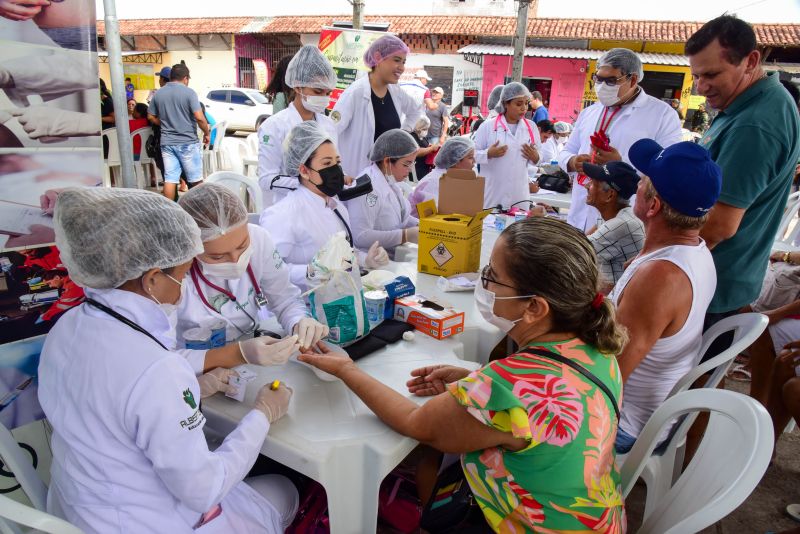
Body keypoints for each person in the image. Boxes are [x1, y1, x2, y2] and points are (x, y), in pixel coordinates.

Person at [299, 217, 626, 532]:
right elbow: (540, 396)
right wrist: (476, 376)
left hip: (528, 526)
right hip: (593, 518)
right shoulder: (598, 349)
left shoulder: (507, 385)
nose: (483, 283)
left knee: (431, 454)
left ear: (535, 307)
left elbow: (416, 422)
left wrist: (346, 369)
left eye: (491, 277)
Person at [39, 187, 299, 532]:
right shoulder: (156, 368)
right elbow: (204, 489)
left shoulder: (66, 328)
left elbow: (116, 403)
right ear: (151, 281)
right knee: (285, 490)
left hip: (81, 508)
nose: (183, 287)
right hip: (148, 522)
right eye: (181, 275)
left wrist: (184, 390)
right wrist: (263, 414)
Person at [685, 15, 800, 357]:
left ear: (751, 61)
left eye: (711, 75)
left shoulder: (756, 124)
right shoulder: (747, 103)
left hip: (712, 283)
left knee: (686, 392)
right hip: (719, 279)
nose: (701, 87)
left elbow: (718, 226)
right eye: (696, 76)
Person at [611, 139, 721, 453]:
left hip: (628, 426)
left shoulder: (660, 277)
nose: (637, 184)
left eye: (643, 180)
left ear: (653, 205)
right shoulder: (695, 250)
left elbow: (610, 373)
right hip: (651, 414)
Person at [177, 183, 329, 373]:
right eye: (217, 257)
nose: (236, 260)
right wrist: (237, 354)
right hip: (193, 367)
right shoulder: (174, 273)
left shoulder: (259, 239)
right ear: (191, 248)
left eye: (242, 246)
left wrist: (299, 322)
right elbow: (159, 356)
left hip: (251, 352)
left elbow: (284, 299)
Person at [559, 48, 682, 233]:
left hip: (625, 216)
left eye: (611, 81)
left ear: (632, 80)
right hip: (582, 207)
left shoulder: (662, 115)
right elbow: (566, 151)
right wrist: (572, 161)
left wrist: (620, 164)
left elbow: (667, 171)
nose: (602, 86)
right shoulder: (590, 112)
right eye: (598, 79)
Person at [260, 121, 389, 289]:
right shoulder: (283, 215)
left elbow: (341, 255)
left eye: (337, 162)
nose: (336, 170)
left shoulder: (337, 207)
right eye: (327, 164)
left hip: (340, 297)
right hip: (303, 304)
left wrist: (366, 259)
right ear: (304, 171)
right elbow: (268, 271)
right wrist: (312, 272)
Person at [332, 35, 422, 177]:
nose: (402, 68)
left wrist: (403, 133)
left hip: (386, 176)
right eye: (397, 60)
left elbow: (415, 110)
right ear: (378, 57)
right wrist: (338, 171)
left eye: (404, 62)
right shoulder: (355, 93)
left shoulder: (395, 91)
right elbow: (331, 131)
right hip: (357, 175)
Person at [257, 45, 338, 203]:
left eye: (328, 93)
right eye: (317, 92)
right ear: (297, 86)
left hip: (321, 207)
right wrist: (309, 181)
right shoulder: (274, 126)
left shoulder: (328, 125)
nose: (323, 98)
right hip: (285, 207)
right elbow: (267, 179)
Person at [345, 128, 420, 256]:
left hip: (393, 256)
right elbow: (361, 236)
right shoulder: (368, 189)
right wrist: (404, 235)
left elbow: (401, 217)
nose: (410, 170)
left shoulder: (390, 182)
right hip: (372, 262)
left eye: (413, 164)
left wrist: (422, 226)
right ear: (387, 161)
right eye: (406, 164)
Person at [473, 82, 541, 209]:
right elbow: (472, 155)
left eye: (526, 103)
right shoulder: (488, 126)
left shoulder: (531, 127)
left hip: (519, 194)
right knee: (491, 226)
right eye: (518, 104)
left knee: (518, 227)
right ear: (505, 104)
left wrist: (535, 156)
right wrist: (488, 153)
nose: (524, 108)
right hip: (493, 193)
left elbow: (538, 158)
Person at [148, 63, 210, 200]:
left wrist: (163, 122)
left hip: (167, 144)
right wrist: (207, 133)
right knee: (196, 180)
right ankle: (200, 211)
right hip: (188, 143)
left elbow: (150, 116)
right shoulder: (189, 93)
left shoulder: (159, 93)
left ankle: (171, 212)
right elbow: (199, 118)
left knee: (170, 179)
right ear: (186, 78)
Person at [582, 160, 644, 287]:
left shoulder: (620, 224)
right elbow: (580, 239)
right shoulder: (613, 216)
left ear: (609, 195)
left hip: (618, 301)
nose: (586, 186)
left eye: (593, 183)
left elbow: (572, 252)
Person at [408, 136, 475, 217]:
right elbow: (433, 216)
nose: (474, 162)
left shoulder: (452, 178)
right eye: (470, 157)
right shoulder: (434, 181)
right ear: (457, 160)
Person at [409, 115, 438, 180]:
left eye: (427, 129)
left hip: (424, 167)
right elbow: (417, 151)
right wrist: (431, 148)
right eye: (424, 129)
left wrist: (431, 146)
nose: (426, 131)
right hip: (416, 169)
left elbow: (426, 145)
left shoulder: (422, 136)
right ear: (419, 127)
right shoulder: (412, 136)